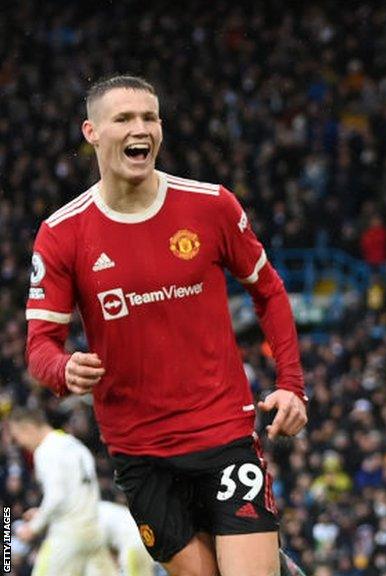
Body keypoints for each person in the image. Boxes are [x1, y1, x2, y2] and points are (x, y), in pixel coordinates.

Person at [24, 75, 308, 576]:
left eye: (150, 117)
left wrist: (292, 386)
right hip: (140, 453)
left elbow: (268, 290)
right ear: (91, 132)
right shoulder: (63, 233)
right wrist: (63, 370)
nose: (142, 128)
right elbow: (40, 347)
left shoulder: (210, 205)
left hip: (223, 434)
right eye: (125, 118)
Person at [8, 408, 118, 576]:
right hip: (93, 532)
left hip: (68, 535)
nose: (20, 444)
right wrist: (43, 512)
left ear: (28, 428)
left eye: (17, 438)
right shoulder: (74, 444)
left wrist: (33, 528)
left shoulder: (45, 451)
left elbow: (56, 496)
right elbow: (75, 493)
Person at [99, 500, 157, 576]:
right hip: (146, 541)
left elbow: (103, 553)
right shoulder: (104, 508)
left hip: (133, 548)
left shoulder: (94, 515)